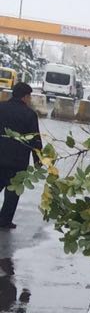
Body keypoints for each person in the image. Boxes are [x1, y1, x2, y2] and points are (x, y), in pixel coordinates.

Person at [0, 83, 44, 231]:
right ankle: (4, 221)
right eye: (29, 96)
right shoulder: (30, 114)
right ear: (25, 97)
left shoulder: (1, 108)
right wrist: (38, 161)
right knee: (12, 193)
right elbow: (35, 140)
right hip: (18, 162)